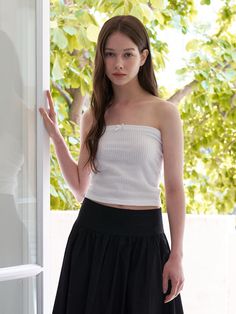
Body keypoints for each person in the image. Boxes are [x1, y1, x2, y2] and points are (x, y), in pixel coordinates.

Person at [39, 15, 185, 314]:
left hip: (145, 241)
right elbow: (80, 188)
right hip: (92, 236)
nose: (118, 63)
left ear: (143, 57)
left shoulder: (164, 113)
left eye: (128, 54)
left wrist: (177, 256)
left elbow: (174, 188)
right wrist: (56, 137)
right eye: (110, 54)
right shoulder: (93, 115)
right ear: (101, 58)